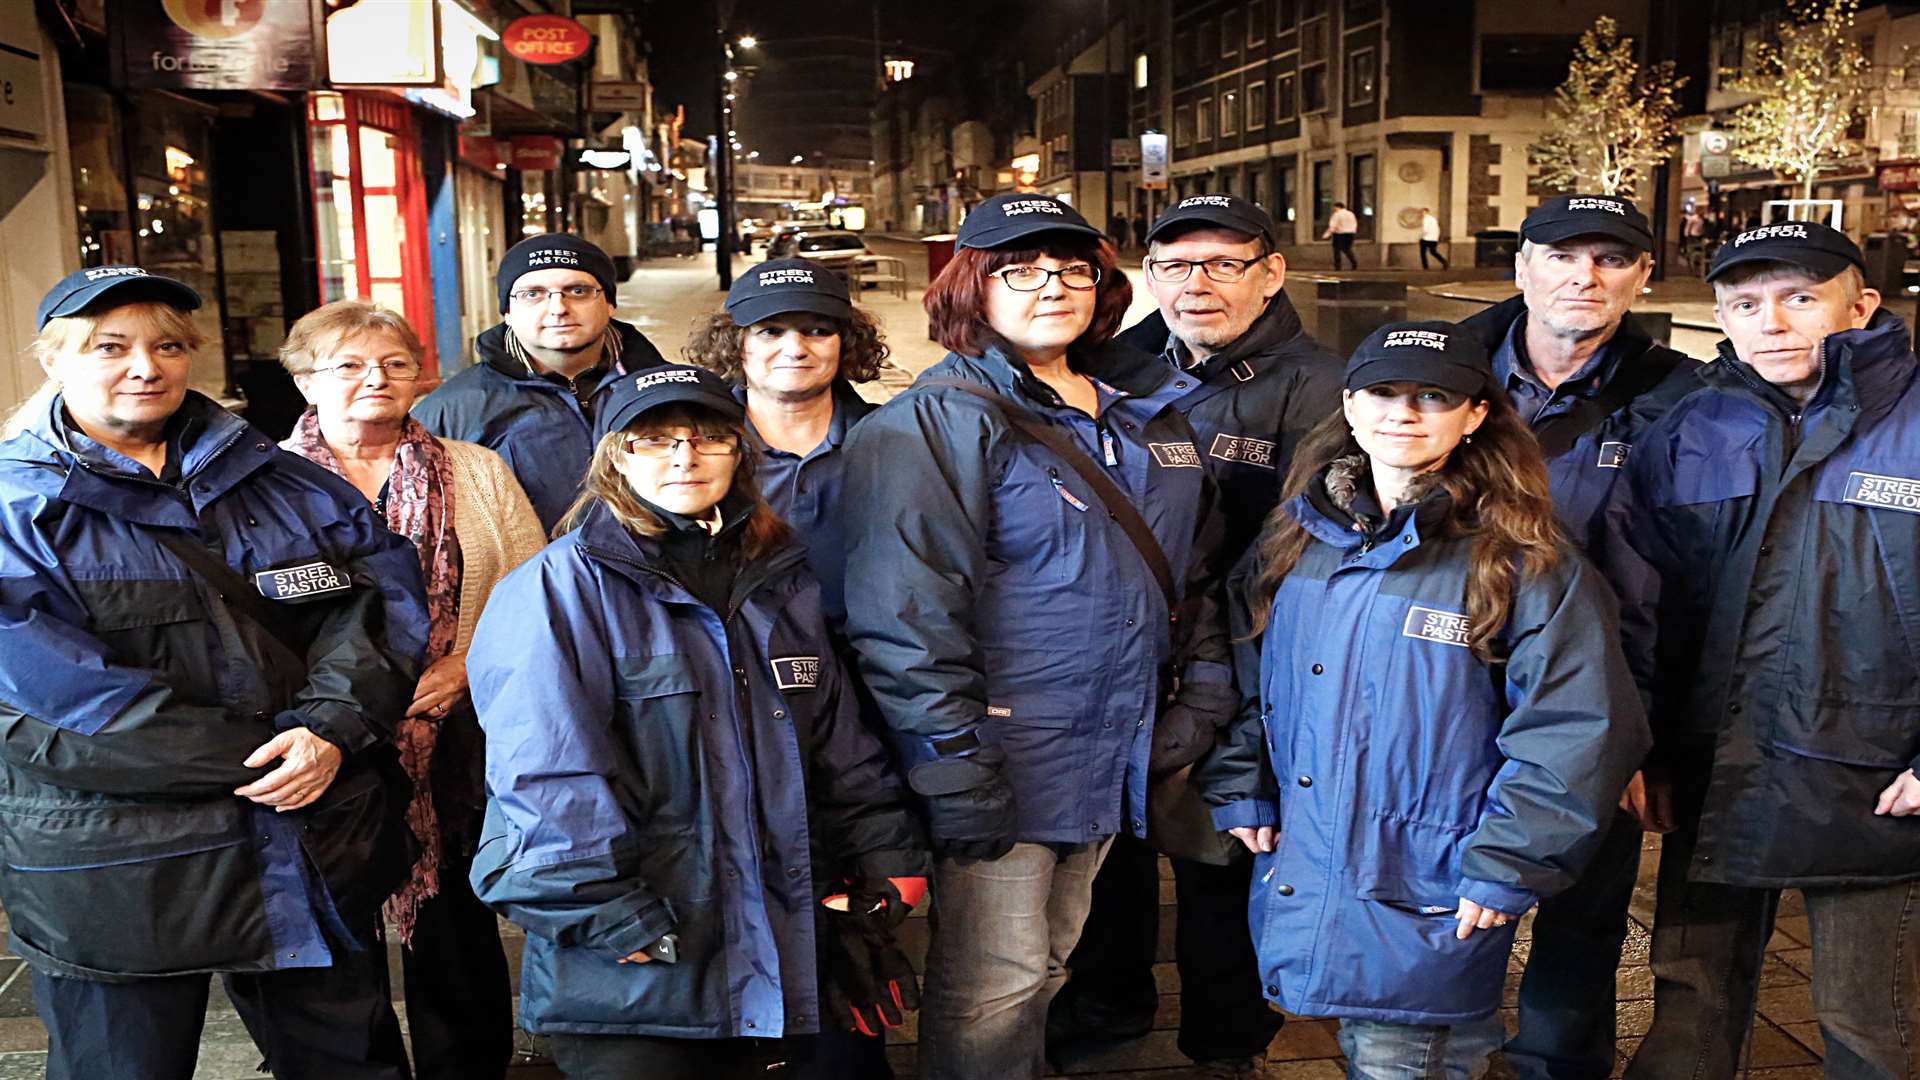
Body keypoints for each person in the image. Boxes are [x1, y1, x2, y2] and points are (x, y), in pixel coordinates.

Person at [0, 267, 431, 1079]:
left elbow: (374, 602)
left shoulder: (276, 479)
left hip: (300, 853)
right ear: (54, 360)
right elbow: (62, 703)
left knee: (350, 1063)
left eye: (167, 345)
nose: (144, 366)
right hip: (117, 870)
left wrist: (332, 729)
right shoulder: (15, 507)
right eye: (110, 346)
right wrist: (280, 755)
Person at [841, 193, 1233, 1080]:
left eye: (1072, 267)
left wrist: (1200, 702)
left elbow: (1199, 573)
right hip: (1002, 753)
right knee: (995, 982)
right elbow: (905, 614)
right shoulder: (934, 424)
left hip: (1111, 745)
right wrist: (952, 760)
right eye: (1021, 269)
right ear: (972, 288)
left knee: (1050, 964)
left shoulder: (1145, 416)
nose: (1051, 285)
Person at [1204, 321, 1649, 1080]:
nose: (1402, 413)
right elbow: (1253, 678)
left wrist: (1510, 860)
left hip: (1434, 881)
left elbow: (1574, 729)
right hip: (1319, 860)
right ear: (1348, 405)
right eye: (1382, 392)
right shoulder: (1298, 540)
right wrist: (1244, 780)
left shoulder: (1522, 560)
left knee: (1410, 1054)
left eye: (1432, 397)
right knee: (1365, 1043)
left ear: (1475, 415)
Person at [467, 365, 930, 1080]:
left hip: (787, 936)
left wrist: (888, 858)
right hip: (643, 958)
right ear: (615, 455)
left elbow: (839, 740)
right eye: (654, 439)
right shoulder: (555, 589)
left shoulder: (780, 577)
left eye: (709, 436)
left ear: (739, 452)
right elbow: (545, 773)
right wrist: (608, 915)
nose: (684, 456)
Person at [1609, 222, 1920, 1079]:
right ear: (1722, 320)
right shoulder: (1687, 430)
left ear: (1860, 306)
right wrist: (1648, 749)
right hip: (1719, 771)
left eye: (1799, 299)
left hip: (1875, 784)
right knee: (1690, 1000)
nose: (1772, 322)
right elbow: (1645, 609)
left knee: (1868, 1020)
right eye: (1746, 304)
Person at [1056, 193, 1343, 1078]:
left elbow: (1308, 543)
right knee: (1115, 852)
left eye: (1224, 264)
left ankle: (1226, 1041)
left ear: (1270, 274)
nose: (1197, 285)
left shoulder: (1320, 384)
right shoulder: (1116, 365)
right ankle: (1110, 1002)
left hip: (1252, 655)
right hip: (1123, 653)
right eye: (1176, 266)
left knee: (1225, 852)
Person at [1451, 193, 1700, 1080]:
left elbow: (1671, 586)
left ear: (1640, 277)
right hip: (1443, 693)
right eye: (1560, 256)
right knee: (1441, 903)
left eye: (1609, 259)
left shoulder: (1679, 399)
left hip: (1598, 707)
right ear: (1521, 267)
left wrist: (1640, 736)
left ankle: (1552, 1069)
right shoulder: (1443, 370)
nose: (1582, 277)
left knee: (1584, 921)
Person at [276, 300, 547, 1080]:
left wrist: (470, 664)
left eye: (395, 364)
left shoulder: (477, 470)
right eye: (350, 365)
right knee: (336, 937)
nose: (376, 379)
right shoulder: (264, 483)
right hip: (326, 743)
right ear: (303, 380)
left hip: (457, 734)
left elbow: (535, 588)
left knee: (458, 932)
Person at [412, 233, 668, 533]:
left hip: (656, 575)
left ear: (610, 303)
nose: (558, 308)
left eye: (578, 290)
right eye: (533, 294)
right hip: (527, 575)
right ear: (507, 311)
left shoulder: (661, 391)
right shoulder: (453, 411)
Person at [683, 257, 888, 625]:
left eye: (818, 331)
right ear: (735, 343)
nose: (795, 349)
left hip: (864, 661)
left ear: (847, 343)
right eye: (771, 331)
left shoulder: (893, 442)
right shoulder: (688, 450)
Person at [1323, 201, 1359, 270]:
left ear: (1337, 207)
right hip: (1350, 233)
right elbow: (1355, 223)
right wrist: (1353, 231)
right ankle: (1354, 262)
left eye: (1334, 207)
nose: (1334, 209)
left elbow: (1333, 225)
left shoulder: (1336, 214)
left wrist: (1327, 234)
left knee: (1337, 250)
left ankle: (1338, 266)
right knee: (1347, 249)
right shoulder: (1351, 214)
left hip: (1339, 234)